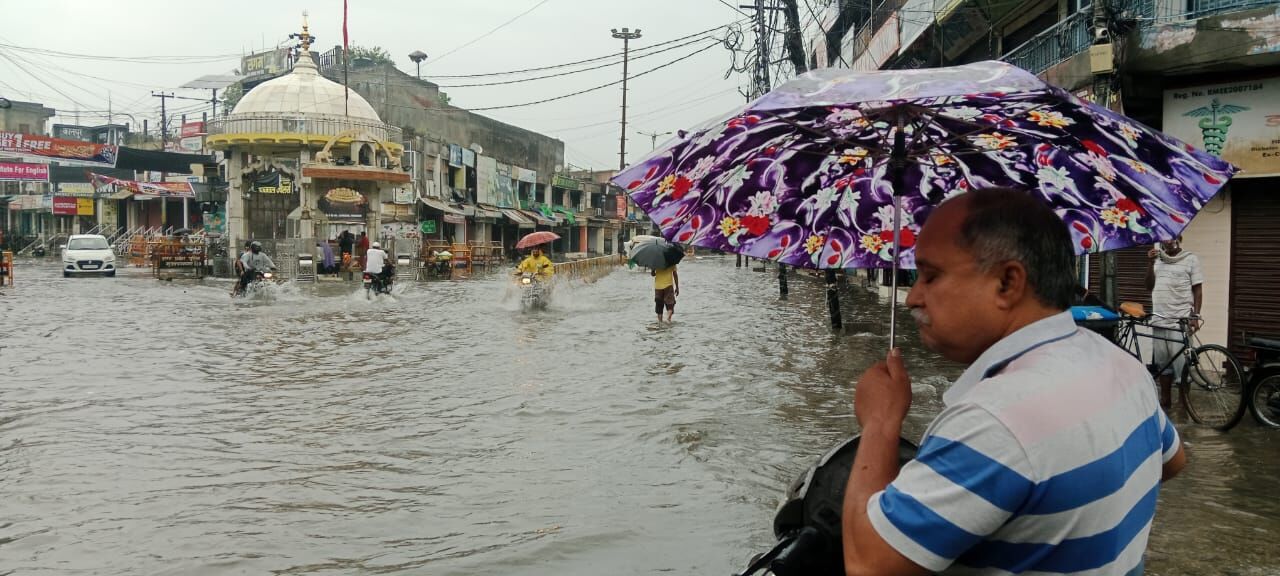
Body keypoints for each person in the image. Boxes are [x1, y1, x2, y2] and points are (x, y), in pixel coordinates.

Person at [840, 188, 1185, 576]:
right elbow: (1172, 461)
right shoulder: (1122, 364)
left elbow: (869, 564)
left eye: (931, 276)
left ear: (1007, 283)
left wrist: (880, 424)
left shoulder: (993, 421)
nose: (913, 298)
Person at [1146, 235, 1204, 410]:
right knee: (1163, 366)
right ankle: (1165, 402)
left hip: (1180, 321)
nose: (1168, 242)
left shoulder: (1190, 259)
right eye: (1164, 239)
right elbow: (1149, 286)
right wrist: (1150, 263)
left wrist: (1195, 316)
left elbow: (1198, 290)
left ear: (1179, 238)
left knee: (1183, 368)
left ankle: (1184, 406)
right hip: (1159, 320)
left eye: (1171, 238)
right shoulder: (1157, 260)